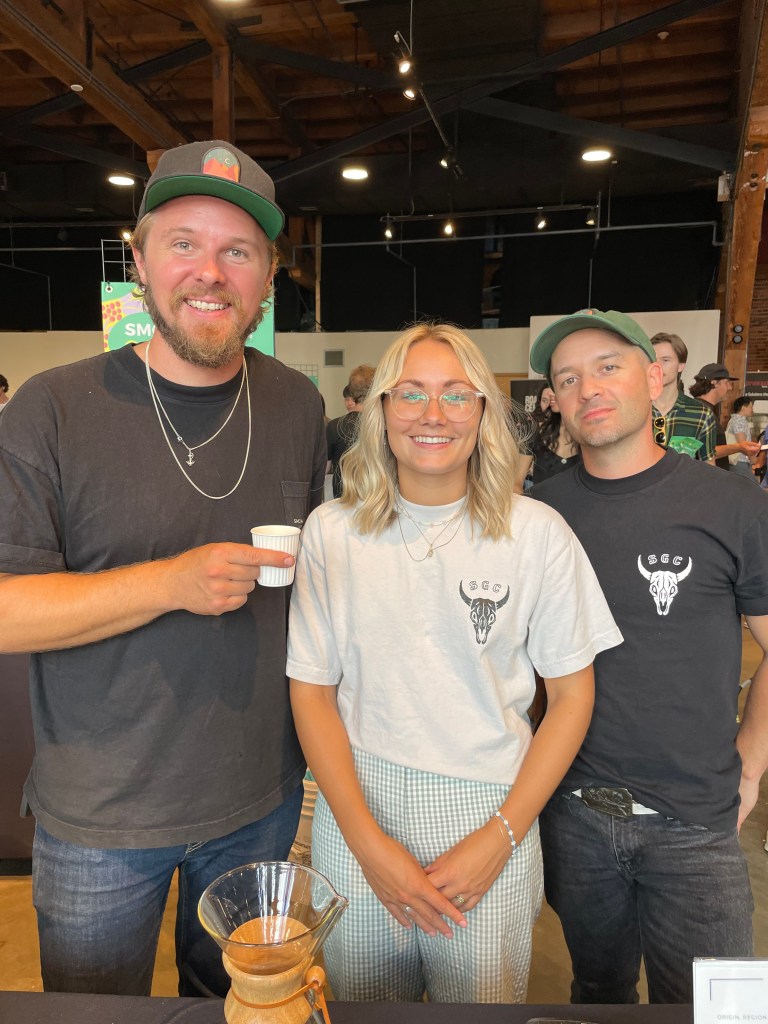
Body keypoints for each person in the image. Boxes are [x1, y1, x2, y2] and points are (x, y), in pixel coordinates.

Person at [0, 140, 327, 997]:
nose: (209, 272)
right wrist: (170, 584)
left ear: (267, 278)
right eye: (184, 243)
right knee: (93, 1013)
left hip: (260, 802)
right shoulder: (52, 407)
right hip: (102, 816)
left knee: (238, 1007)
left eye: (238, 251)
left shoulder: (297, 404)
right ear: (139, 261)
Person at [287, 323, 622, 1003]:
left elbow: (572, 699)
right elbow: (312, 692)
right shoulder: (332, 532)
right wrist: (366, 843)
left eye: (455, 395)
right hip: (358, 804)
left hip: (490, 810)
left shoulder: (536, 534)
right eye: (411, 393)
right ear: (381, 410)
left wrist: (502, 836)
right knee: (362, 1008)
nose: (433, 415)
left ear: (483, 411)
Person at [529, 308, 768, 1005]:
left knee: (713, 1010)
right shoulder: (539, 514)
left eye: (608, 367)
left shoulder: (730, 502)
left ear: (656, 377)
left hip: (696, 820)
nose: (588, 389)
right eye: (567, 379)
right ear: (556, 400)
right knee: (598, 992)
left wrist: (752, 761)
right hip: (574, 811)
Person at [650, 332, 716, 462]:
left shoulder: (701, 414)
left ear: (681, 365)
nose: (658, 366)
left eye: (665, 360)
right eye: (653, 360)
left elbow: (708, 466)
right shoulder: (634, 409)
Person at [689, 363, 759, 470]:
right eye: (727, 383)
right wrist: (739, 447)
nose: (730, 388)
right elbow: (701, 451)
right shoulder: (699, 411)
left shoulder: (705, 409)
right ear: (714, 383)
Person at [325, 364, 375, 497]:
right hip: (376, 498)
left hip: (343, 497)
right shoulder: (382, 426)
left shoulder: (334, 426)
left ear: (352, 391)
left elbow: (324, 468)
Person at [530, 384, 580, 484]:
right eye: (544, 400)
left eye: (555, 392)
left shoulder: (587, 434)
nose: (550, 400)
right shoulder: (534, 429)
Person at [725, 396, 758, 482]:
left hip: (739, 460)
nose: (752, 410)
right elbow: (743, 443)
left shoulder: (735, 420)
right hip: (739, 460)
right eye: (751, 407)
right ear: (743, 407)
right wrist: (753, 458)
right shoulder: (739, 421)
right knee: (749, 486)